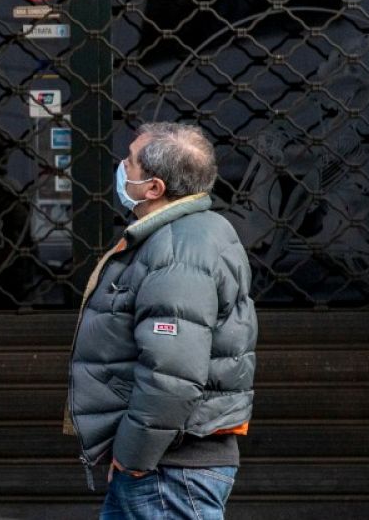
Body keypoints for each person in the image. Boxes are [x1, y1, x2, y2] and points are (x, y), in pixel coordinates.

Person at [64, 122, 257, 519]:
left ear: (154, 187)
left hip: (169, 471)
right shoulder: (186, 235)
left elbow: (172, 370)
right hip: (163, 465)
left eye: (130, 161)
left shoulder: (179, 249)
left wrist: (135, 455)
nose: (121, 166)